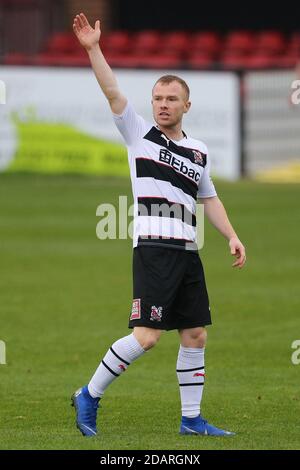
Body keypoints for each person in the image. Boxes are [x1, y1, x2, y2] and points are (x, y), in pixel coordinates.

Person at [71, 12, 246, 438]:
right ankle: (89, 395)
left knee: (195, 335)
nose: (163, 104)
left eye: (171, 98)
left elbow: (209, 198)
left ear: (187, 105)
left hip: (188, 252)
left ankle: (191, 421)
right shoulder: (139, 134)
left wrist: (232, 235)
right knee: (147, 337)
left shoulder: (199, 152)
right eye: (157, 98)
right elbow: (112, 92)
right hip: (152, 248)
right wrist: (94, 48)